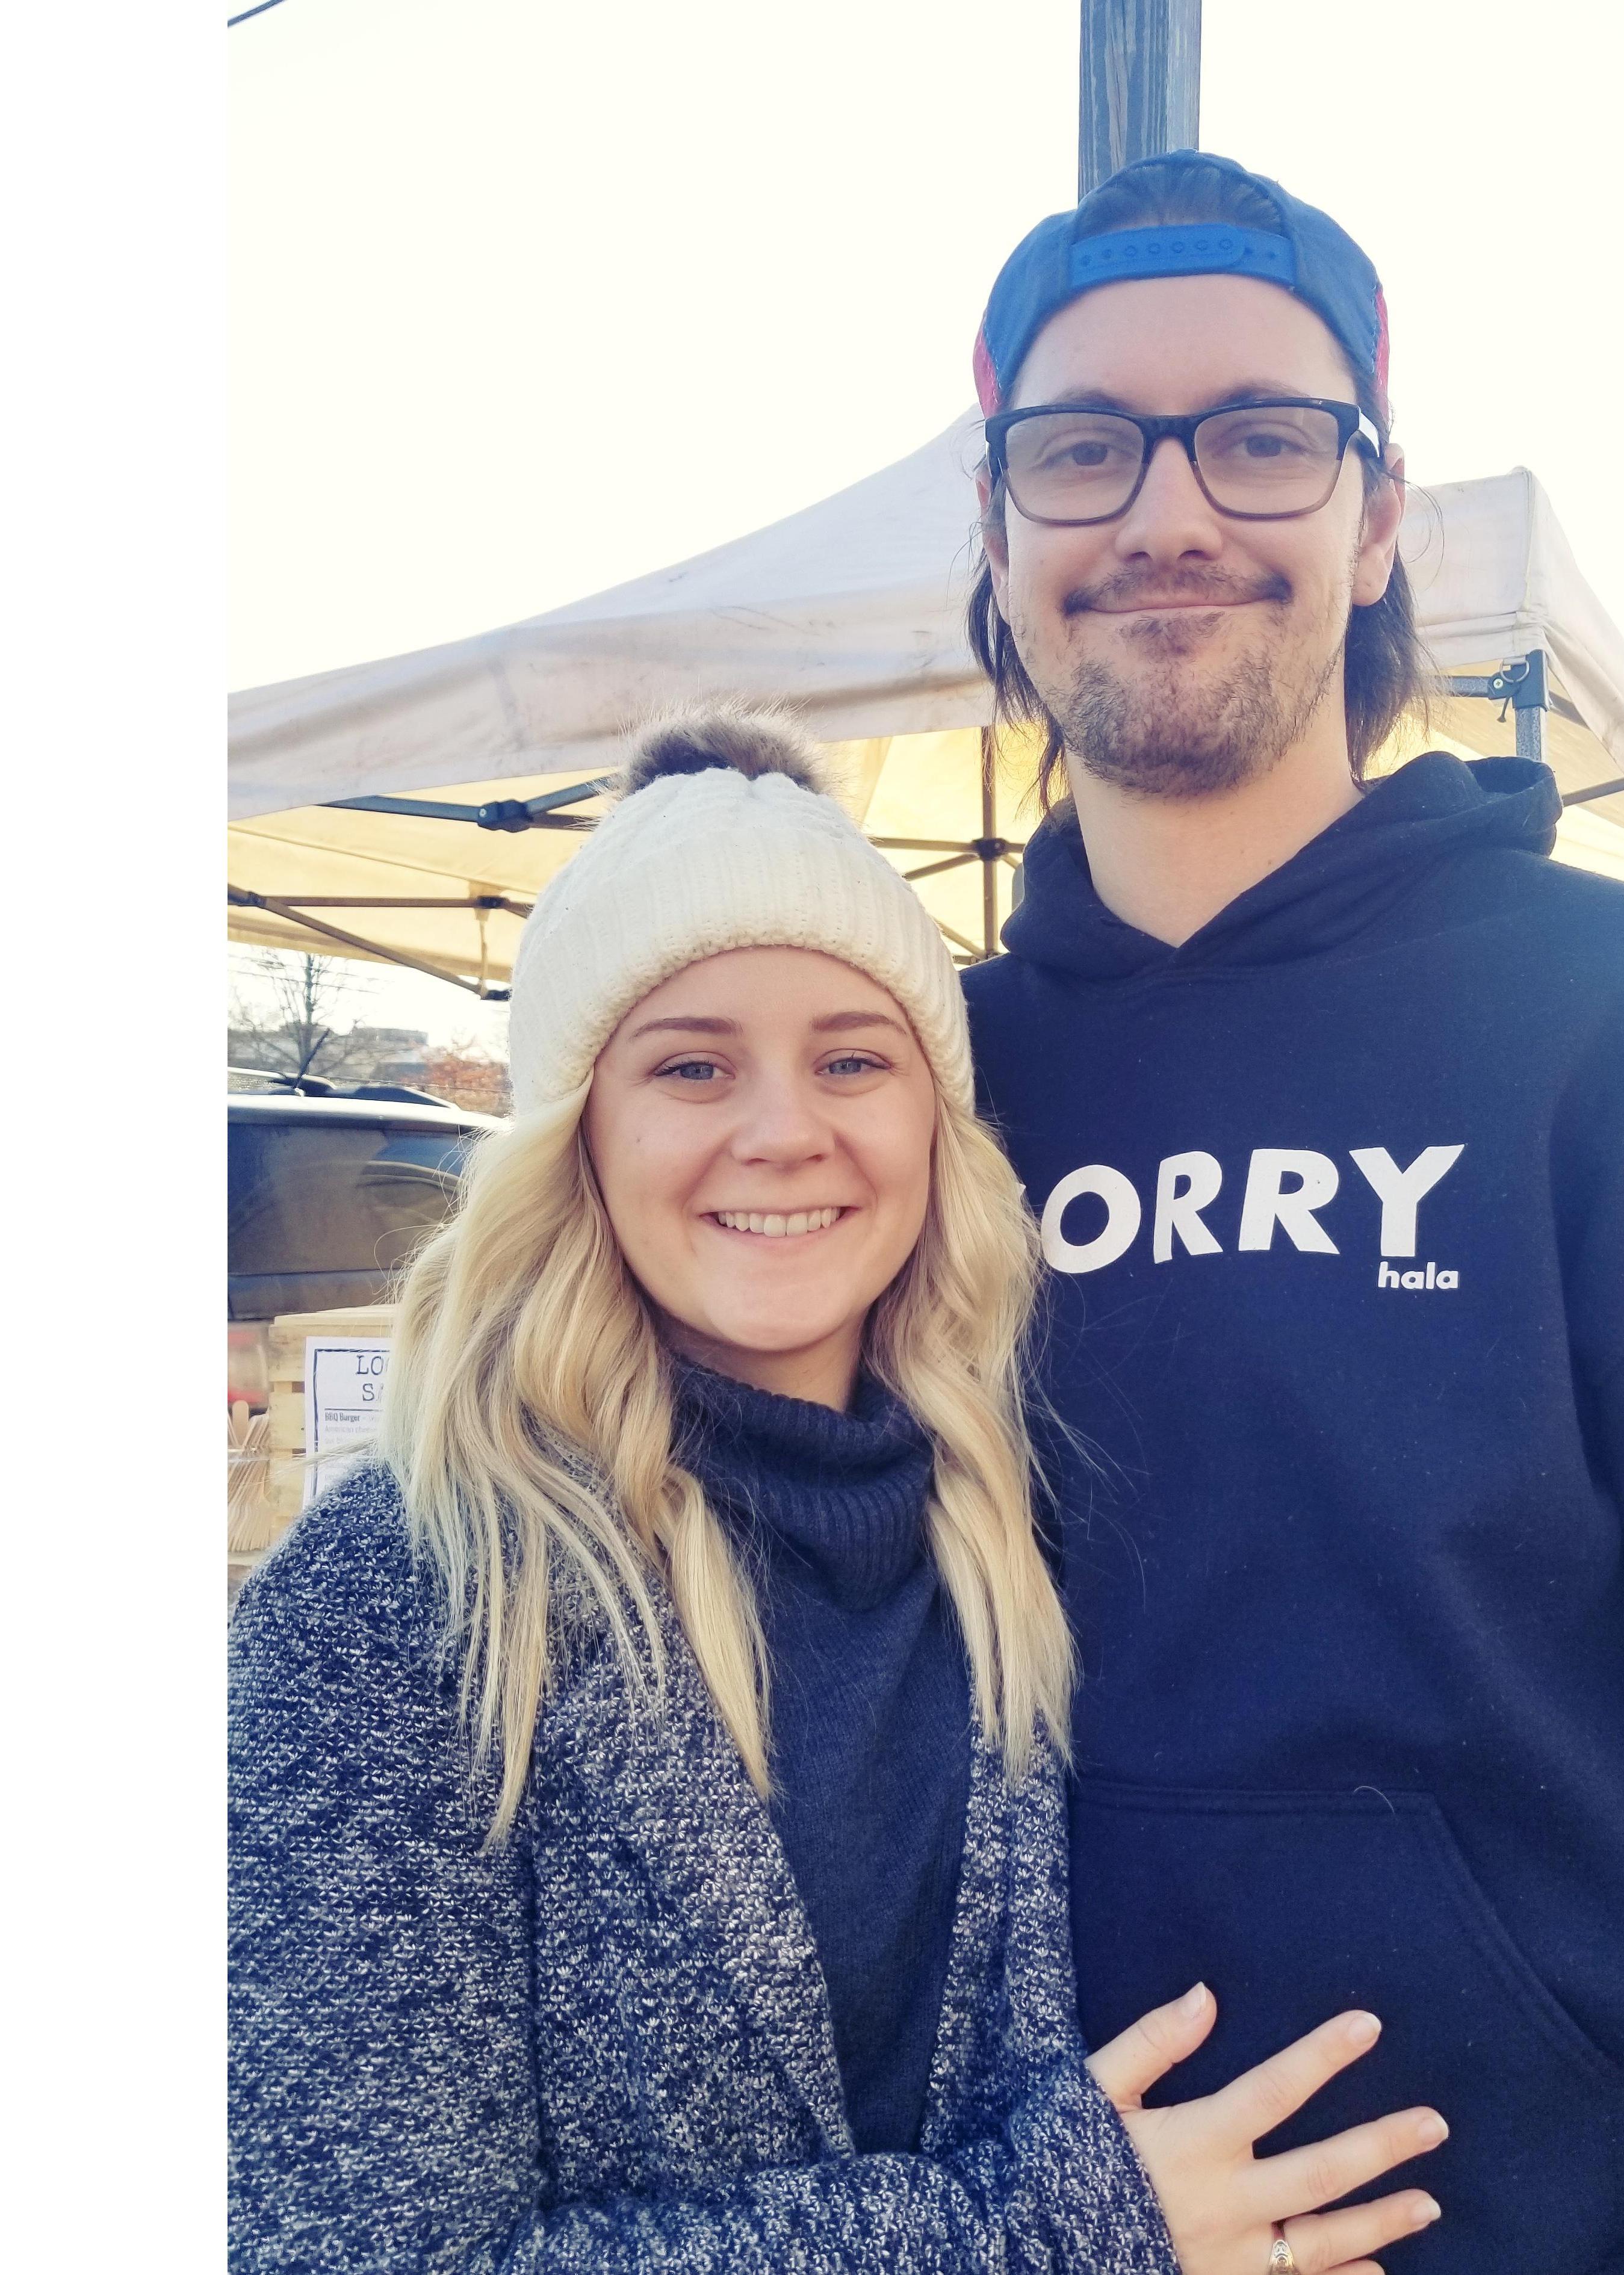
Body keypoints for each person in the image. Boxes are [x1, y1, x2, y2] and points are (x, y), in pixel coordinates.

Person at [961, 150, 1624, 2274]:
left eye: (1261, 438)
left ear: (1376, 521)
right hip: (968, 2221)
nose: (1168, 510)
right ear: (993, 537)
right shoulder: (894, 1089)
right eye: (1079, 450)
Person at [228, 708, 1449, 2274]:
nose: (784, 1127)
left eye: (851, 1057)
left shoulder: (1005, 1528)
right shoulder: (399, 1599)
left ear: (935, 1128)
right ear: (577, 1137)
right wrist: (1052, 2237)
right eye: (691, 1062)